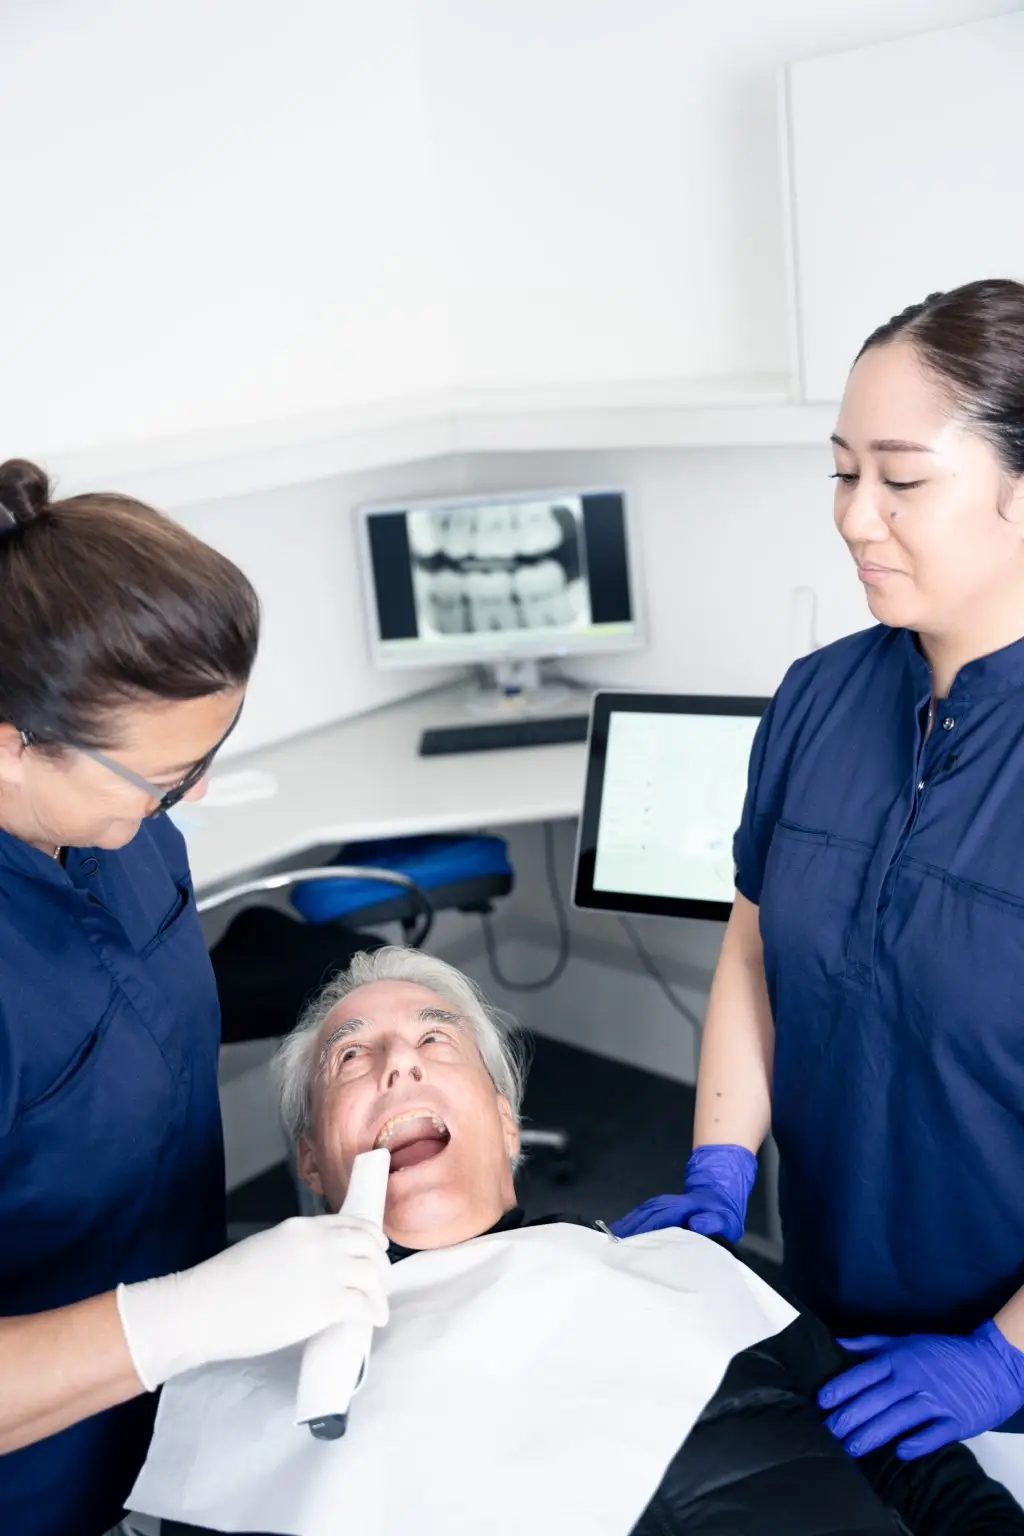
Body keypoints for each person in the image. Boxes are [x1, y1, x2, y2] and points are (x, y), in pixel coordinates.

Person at [129, 948, 1023, 1535]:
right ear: (314, 1160)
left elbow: (932, 1481)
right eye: (351, 1057)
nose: (399, 1062)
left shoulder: (688, 1265)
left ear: (509, 1124)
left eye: (435, 1039)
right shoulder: (254, 1388)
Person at [613, 278, 1024, 1494]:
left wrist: (1001, 1357)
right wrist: (719, 1169)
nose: (854, 518)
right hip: (836, 1299)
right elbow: (753, 949)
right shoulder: (817, 697)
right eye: (841, 473)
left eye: (901, 481)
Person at [0, 459, 390, 1536]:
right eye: (165, 776)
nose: (193, 795)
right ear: (9, 744)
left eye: (206, 756)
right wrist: (180, 1319)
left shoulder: (126, 831)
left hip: (176, 1431)